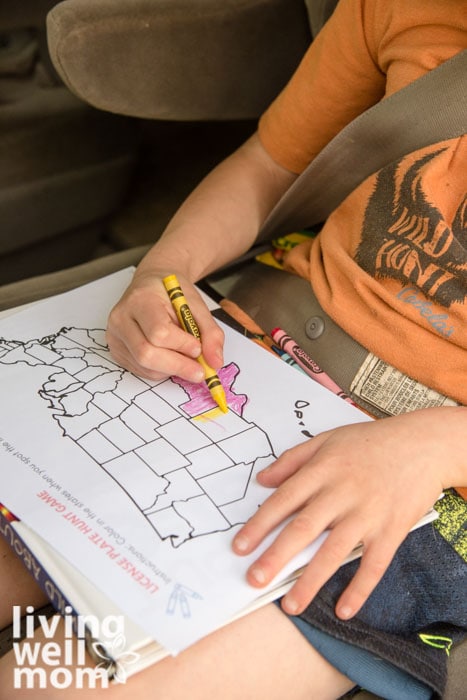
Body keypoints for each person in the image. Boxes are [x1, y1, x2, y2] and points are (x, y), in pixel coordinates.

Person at [0, 0, 465, 698]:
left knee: (47, 684)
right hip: (262, 349)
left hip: (430, 480)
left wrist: (436, 444)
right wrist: (165, 272)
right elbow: (271, 164)